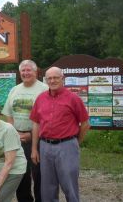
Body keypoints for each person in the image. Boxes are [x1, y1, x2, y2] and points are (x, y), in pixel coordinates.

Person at [30, 67, 90, 202]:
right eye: (49, 78)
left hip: (67, 145)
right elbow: (36, 124)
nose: (52, 81)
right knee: (48, 187)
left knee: (69, 185)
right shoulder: (41, 98)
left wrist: (75, 143)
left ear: (62, 79)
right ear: (46, 80)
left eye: (56, 77)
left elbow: (85, 124)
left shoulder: (73, 98)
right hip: (45, 145)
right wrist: (34, 149)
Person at [2, 60, 47, 202]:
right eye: (23, 70)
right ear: (20, 72)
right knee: (20, 173)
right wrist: (14, 134)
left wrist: (31, 135)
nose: (26, 73)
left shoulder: (44, 89)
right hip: (17, 137)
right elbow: (8, 114)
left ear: (36, 72)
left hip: (38, 139)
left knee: (39, 175)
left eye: (29, 70)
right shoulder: (14, 89)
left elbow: (48, 118)